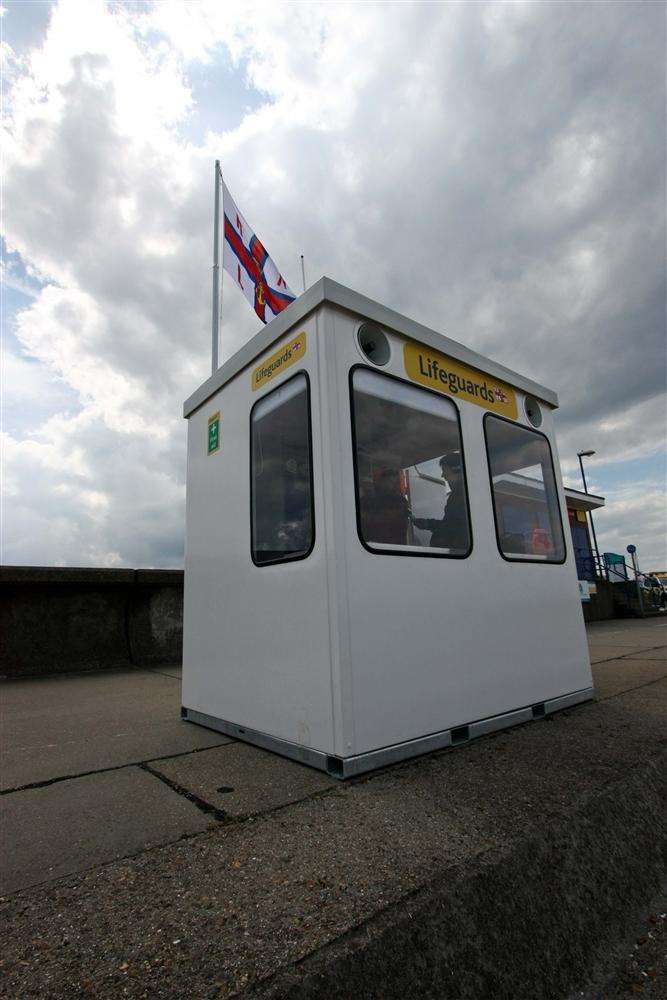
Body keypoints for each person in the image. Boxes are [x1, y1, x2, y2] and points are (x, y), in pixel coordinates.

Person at [411, 453, 469, 551]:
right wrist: (428, 524)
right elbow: (450, 524)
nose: (443, 475)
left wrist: (429, 524)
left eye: (445, 471)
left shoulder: (463, 496)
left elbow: (454, 529)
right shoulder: (458, 495)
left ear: (457, 470)